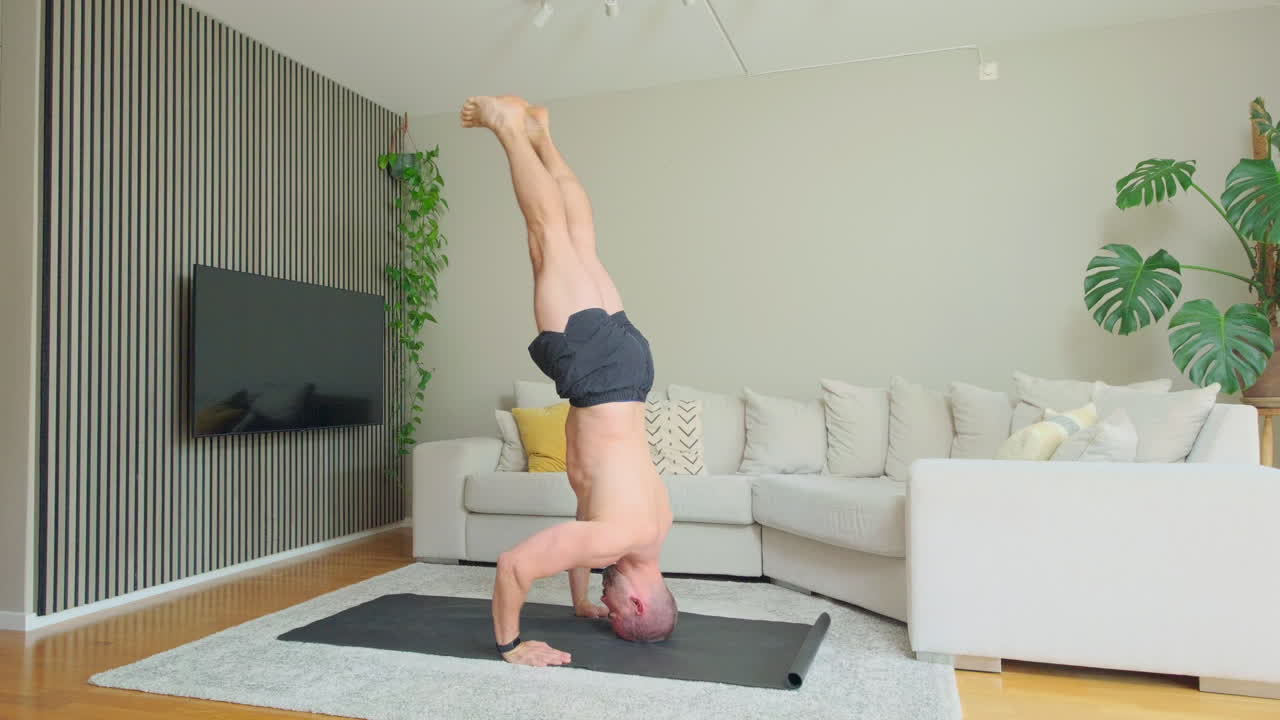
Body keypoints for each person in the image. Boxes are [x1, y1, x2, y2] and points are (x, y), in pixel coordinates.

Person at [460, 95, 678, 668]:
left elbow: (586, 523)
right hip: (597, 376)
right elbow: (514, 564)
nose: (606, 605)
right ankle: (509, 128)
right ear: (634, 602)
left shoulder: (651, 532)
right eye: (612, 607)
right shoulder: (615, 539)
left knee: (580, 241)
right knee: (547, 238)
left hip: (631, 371)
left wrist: (582, 599)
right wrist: (511, 645)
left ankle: (540, 133)